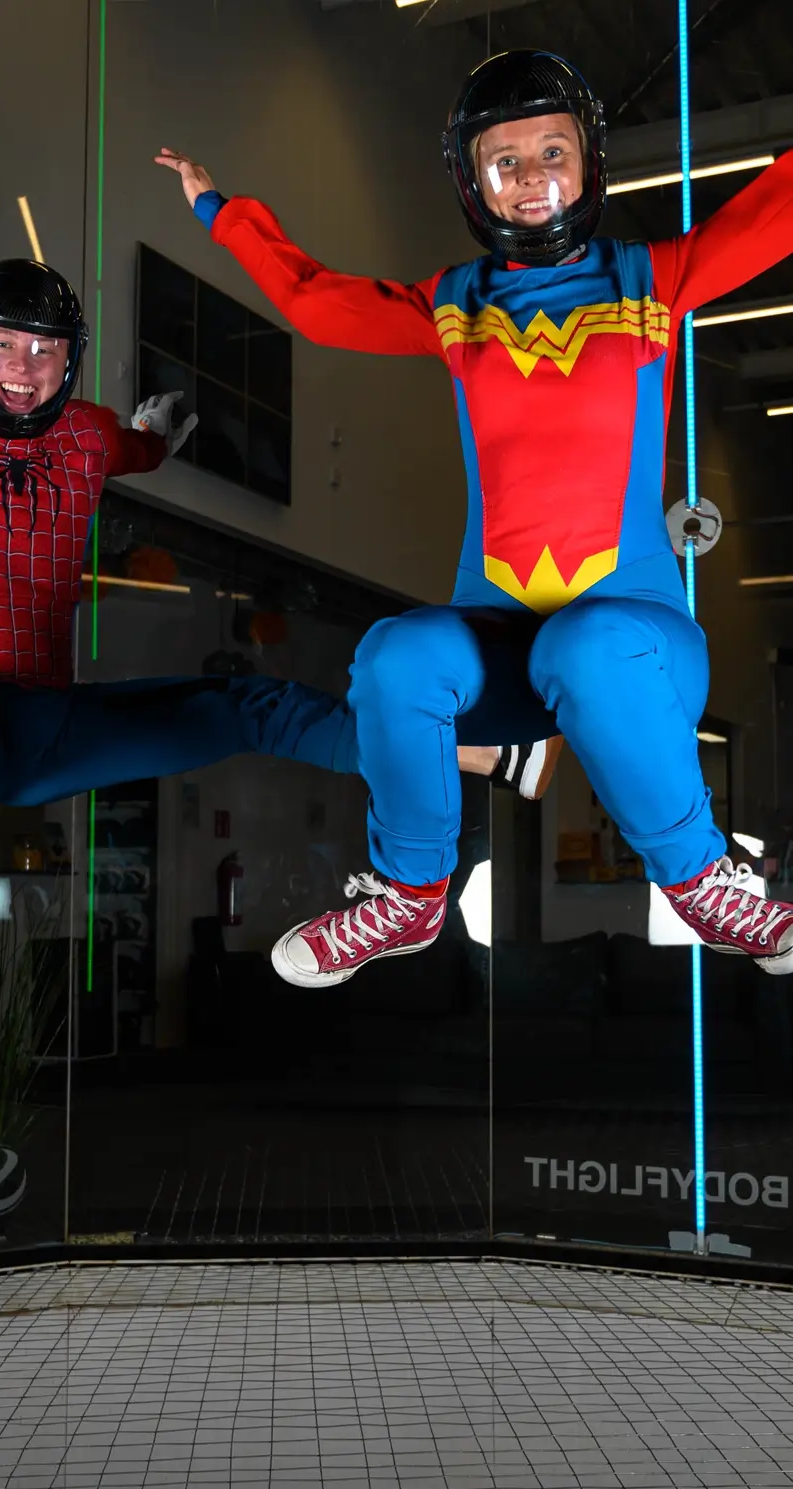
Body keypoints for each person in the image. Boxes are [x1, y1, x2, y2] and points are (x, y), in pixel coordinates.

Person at [158, 47, 793, 985]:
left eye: (552, 152)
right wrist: (224, 216)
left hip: (640, 646)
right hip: (500, 645)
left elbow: (771, 212)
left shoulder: (651, 282)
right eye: (506, 162)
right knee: (392, 655)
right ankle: (411, 895)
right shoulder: (456, 306)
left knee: (587, 645)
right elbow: (317, 302)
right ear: (473, 182)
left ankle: (703, 882)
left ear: (589, 164)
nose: (532, 178)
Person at [0, 257, 555, 811]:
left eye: (45, 350)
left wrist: (156, 435)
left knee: (253, 706)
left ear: (70, 361)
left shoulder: (87, 436)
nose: (22, 367)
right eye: (2, 343)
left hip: (53, 732)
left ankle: (486, 753)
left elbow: (137, 447)